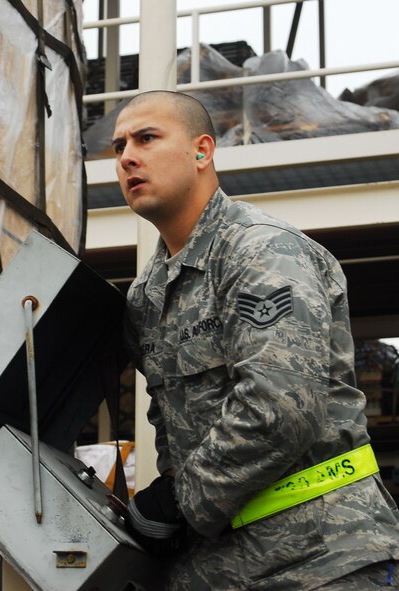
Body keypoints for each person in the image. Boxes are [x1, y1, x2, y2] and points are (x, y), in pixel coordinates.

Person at [111, 90, 399, 590]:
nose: (127, 157)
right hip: (219, 571)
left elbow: (281, 408)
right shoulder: (146, 294)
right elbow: (175, 429)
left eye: (147, 138)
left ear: (202, 151)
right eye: (118, 147)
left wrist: (177, 501)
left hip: (321, 561)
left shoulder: (260, 251)